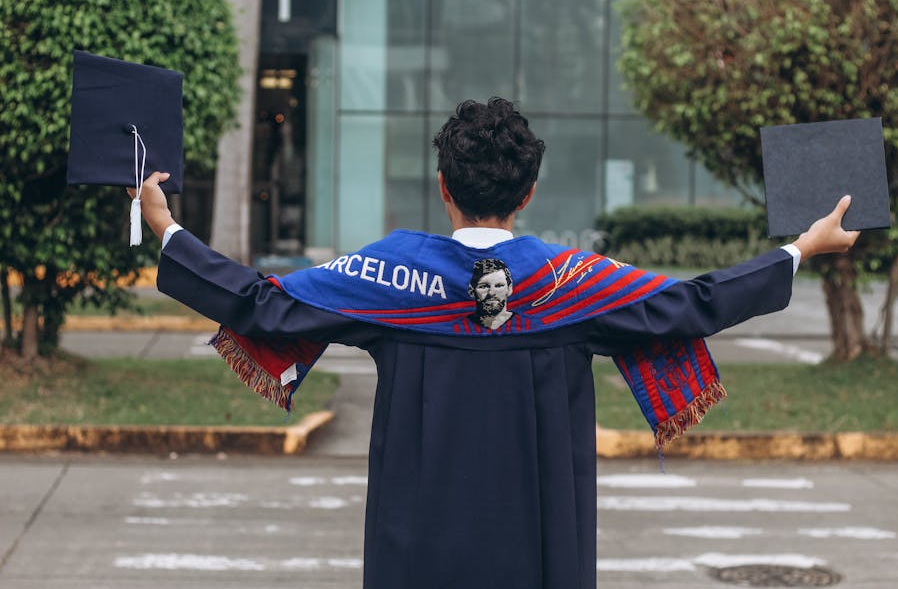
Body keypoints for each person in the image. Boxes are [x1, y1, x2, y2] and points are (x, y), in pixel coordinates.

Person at [132, 97, 859, 589]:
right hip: (541, 557)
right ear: (529, 191)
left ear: (442, 186)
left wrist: (166, 228)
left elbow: (263, 306)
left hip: (414, 561)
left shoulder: (387, 277)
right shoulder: (577, 285)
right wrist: (800, 248)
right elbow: (693, 305)